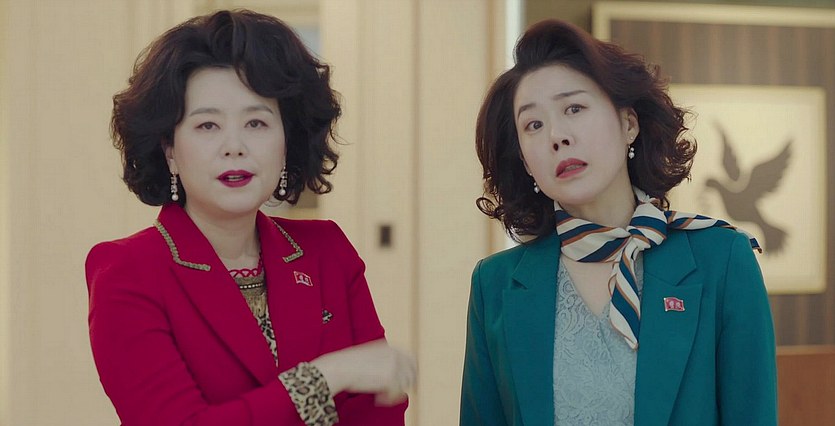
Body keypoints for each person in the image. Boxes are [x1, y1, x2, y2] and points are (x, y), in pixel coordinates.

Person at [86, 10, 415, 426]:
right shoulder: (126, 272)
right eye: (208, 125)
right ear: (169, 149)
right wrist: (327, 376)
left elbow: (378, 413)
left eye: (256, 122)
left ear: (286, 141)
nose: (234, 146)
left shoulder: (327, 251)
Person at [460, 19, 776, 426]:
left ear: (629, 124)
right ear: (524, 159)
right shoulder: (494, 285)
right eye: (533, 124)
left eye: (574, 108)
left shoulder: (723, 259)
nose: (557, 136)